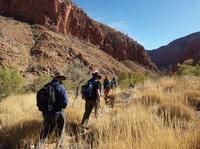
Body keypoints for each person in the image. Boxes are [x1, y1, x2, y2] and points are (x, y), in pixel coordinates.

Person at [37, 71, 68, 148]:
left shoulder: (46, 86)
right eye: (62, 78)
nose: (62, 80)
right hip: (57, 113)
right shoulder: (61, 87)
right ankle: (59, 146)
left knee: (45, 131)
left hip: (46, 113)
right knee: (60, 131)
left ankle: (38, 146)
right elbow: (65, 104)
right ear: (59, 78)